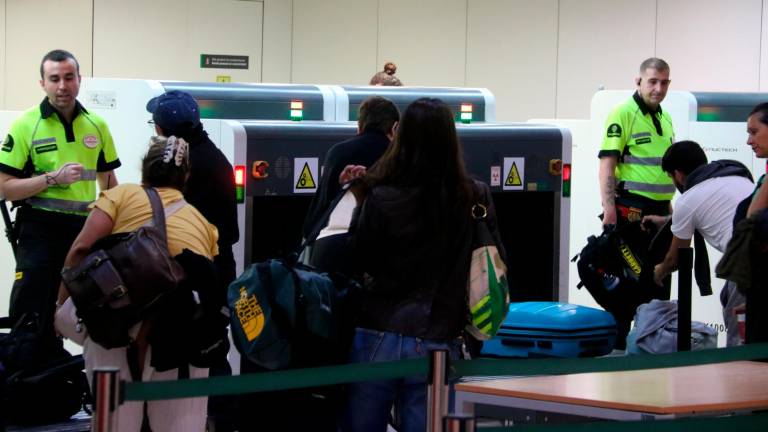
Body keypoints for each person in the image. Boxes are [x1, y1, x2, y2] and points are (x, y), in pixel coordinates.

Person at [341, 98, 503, 432]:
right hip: (440, 341)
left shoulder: (381, 194)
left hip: (378, 334)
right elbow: (494, 258)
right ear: (450, 137)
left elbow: (357, 259)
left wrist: (360, 202)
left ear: (400, 135)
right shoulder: (474, 196)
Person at [55, 135, 218, 431]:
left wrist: (61, 308)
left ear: (144, 169)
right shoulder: (203, 224)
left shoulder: (122, 195)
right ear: (187, 177)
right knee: (181, 425)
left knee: (115, 424)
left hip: (117, 327)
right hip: (179, 336)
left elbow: (80, 250)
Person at [0, 49, 120, 336]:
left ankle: (58, 372)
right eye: (54, 79)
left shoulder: (97, 126)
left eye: (69, 77)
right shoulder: (26, 124)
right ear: (42, 83)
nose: (62, 86)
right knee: (31, 307)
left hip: (83, 231)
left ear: (80, 80)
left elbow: (109, 185)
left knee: (77, 310)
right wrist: (52, 178)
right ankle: (23, 370)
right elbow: (4, 187)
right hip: (38, 228)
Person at [145, 90, 238, 431]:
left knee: (204, 349)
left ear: (164, 131)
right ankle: (217, 417)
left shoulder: (185, 168)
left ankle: (207, 418)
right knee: (211, 345)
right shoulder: (217, 158)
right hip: (218, 267)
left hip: (197, 270)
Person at [644, 140, 753, 346]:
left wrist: (659, 271)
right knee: (728, 298)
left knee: (741, 340)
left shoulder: (688, 200)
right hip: (753, 256)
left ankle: (742, 373)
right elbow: (709, 209)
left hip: (750, 263)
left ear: (677, 174)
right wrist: (666, 221)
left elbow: (675, 259)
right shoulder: (733, 175)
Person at [302, 95, 399, 240]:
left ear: (360, 126)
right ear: (395, 127)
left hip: (334, 240)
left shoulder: (338, 152)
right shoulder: (398, 156)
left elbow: (321, 205)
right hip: (383, 240)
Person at [599, 57, 675, 228]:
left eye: (664, 83)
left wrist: (669, 208)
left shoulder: (666, 118)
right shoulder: (623, 113)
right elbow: (607, 165)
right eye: (653, 82)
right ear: (638, 81)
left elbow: (660, 170)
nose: (658, 89)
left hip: (662, 209)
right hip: (632, 207)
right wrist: (609, 209)